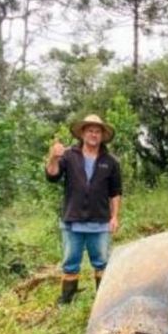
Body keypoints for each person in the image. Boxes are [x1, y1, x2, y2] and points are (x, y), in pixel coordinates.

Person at [45, 114, 122, 306]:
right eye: (90, 131)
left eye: (97, 131)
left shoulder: (111, 161)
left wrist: (114, 217)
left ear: (102, 136)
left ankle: (103, 302)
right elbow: (52, 176)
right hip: (72, 221)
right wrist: (53, 157)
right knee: (70, 262)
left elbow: (115, 192)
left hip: (100, 221)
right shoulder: (69, 155)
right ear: (82, 133)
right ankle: (67, 300)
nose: (93, 134)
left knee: (102, 262)